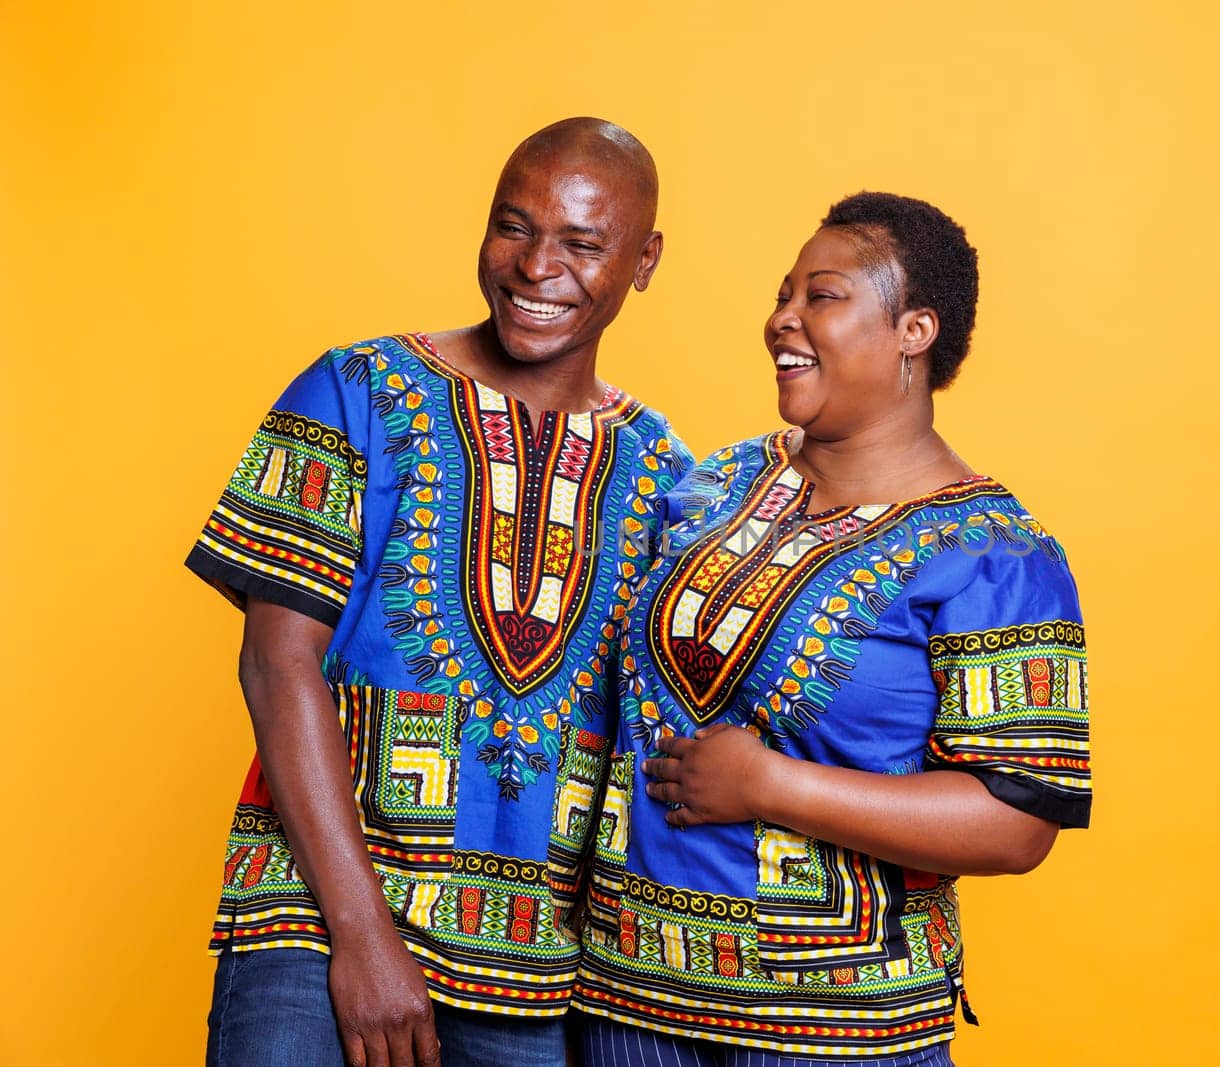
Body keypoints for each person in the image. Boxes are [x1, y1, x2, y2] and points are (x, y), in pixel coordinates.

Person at [186, 117, 693, 1067]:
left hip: (536, 970)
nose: (537, 266)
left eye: (583, 243)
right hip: (315, 922)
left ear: (645, 259)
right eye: (514, 226)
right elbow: (275, 661)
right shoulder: (353, 391)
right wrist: (363, 933)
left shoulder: (670, 475)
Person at [572, 192, 1092, 1064]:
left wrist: (772, 785)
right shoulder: (721, 482)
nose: (784, 318)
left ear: (913, 331)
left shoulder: (997, 556)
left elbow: (1017, 822)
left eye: (823, 295)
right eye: (783, 294)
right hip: (628, 1002)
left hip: (838, 1029)